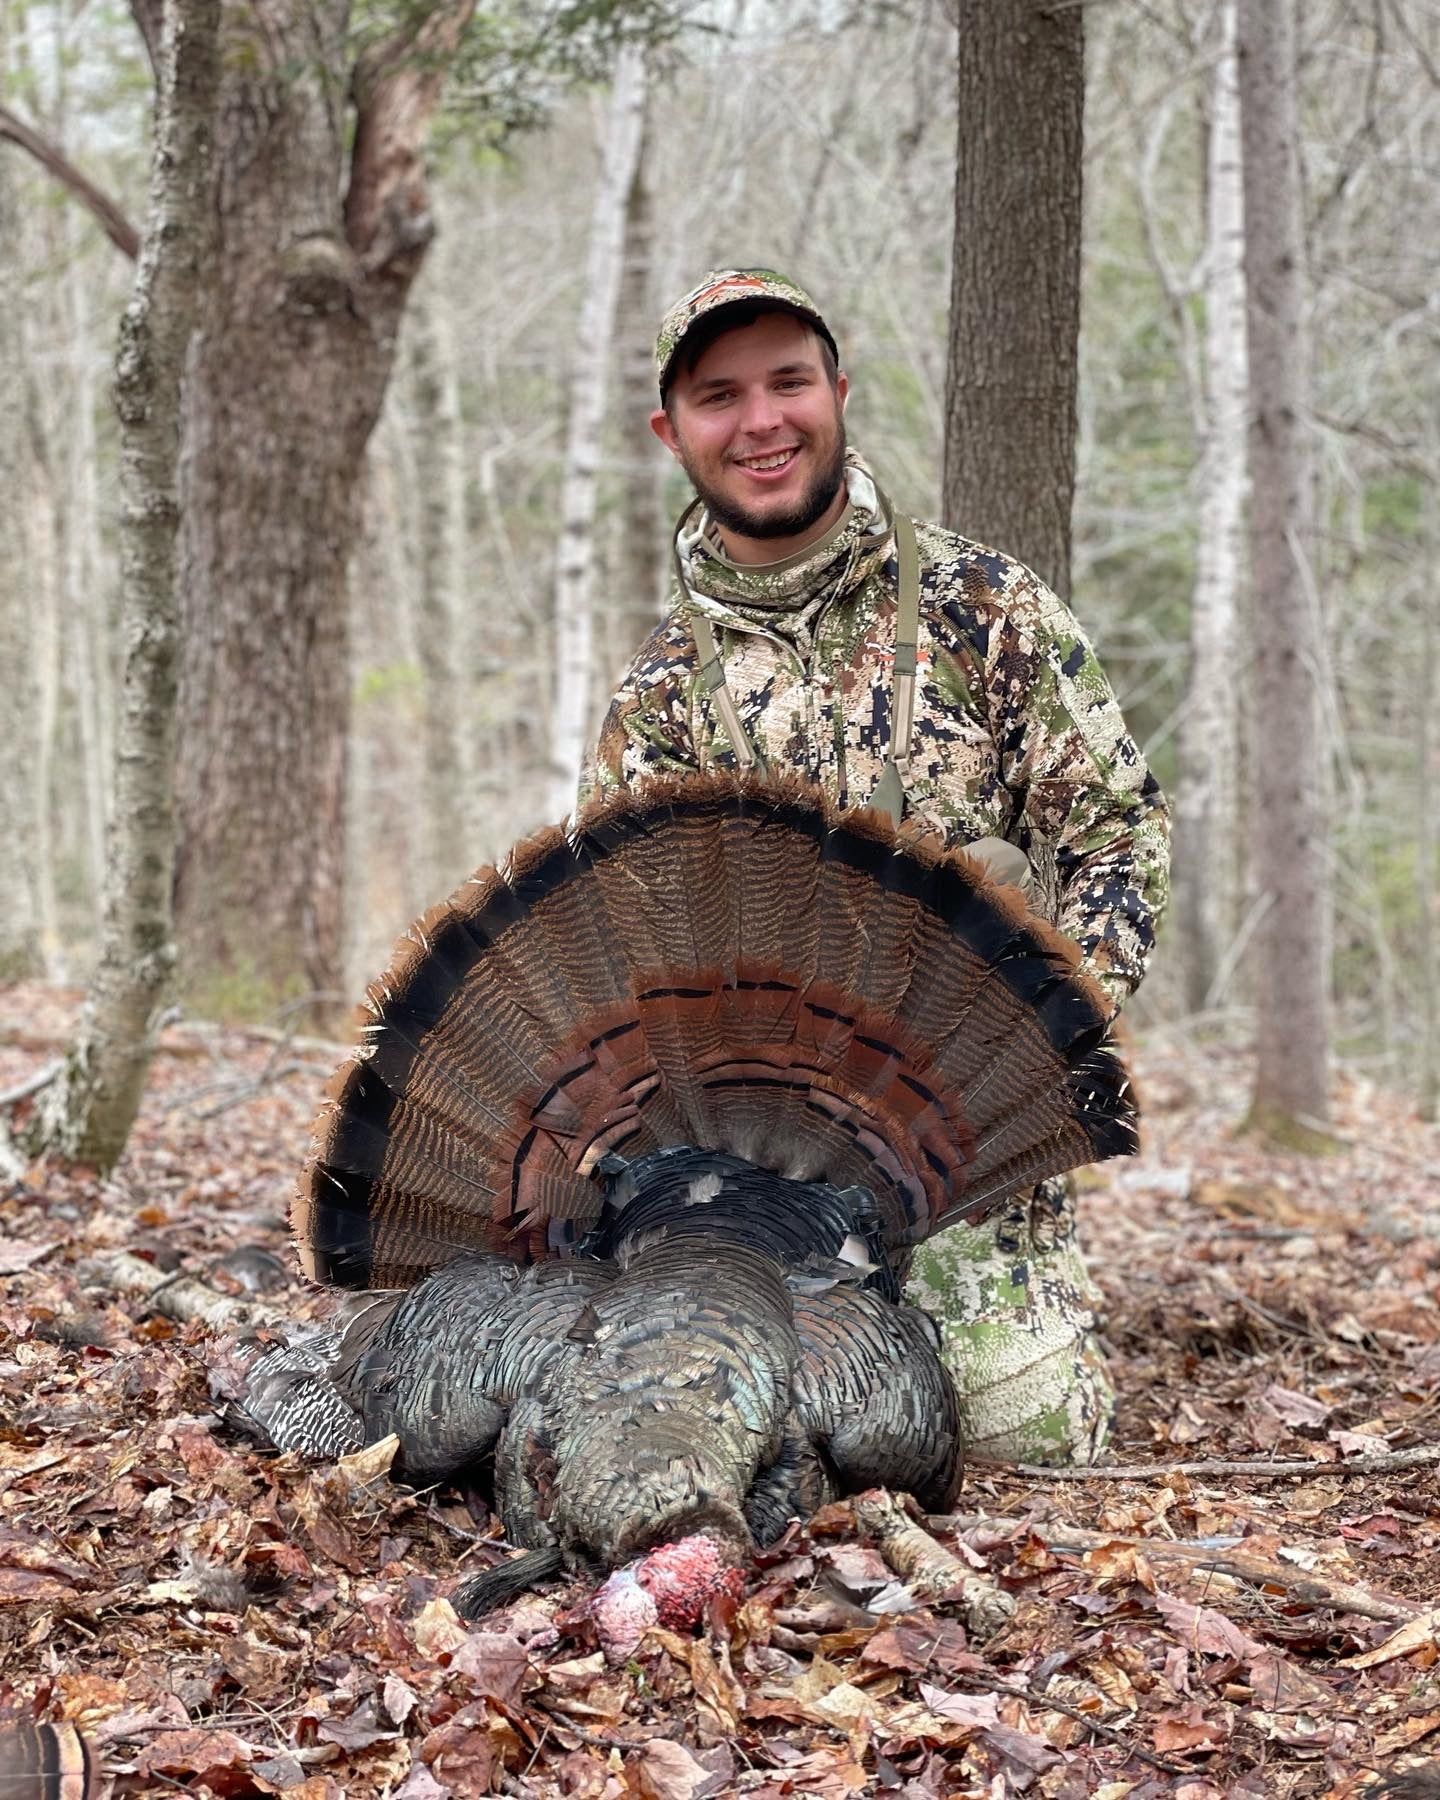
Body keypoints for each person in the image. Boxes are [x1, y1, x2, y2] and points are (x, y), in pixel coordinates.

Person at [581, 269, 1170, 1465]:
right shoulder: (657, 696)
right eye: (719, 396)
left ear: (838, 393)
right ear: (671, 431)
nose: (762, 423)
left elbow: (1119, 831)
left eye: (790, 382)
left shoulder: (982, 609)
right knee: (731, 1440)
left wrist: (1043, 1043)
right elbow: (617, 961)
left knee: (1023, 1454)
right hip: (747, 1167)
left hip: (961, 1151)